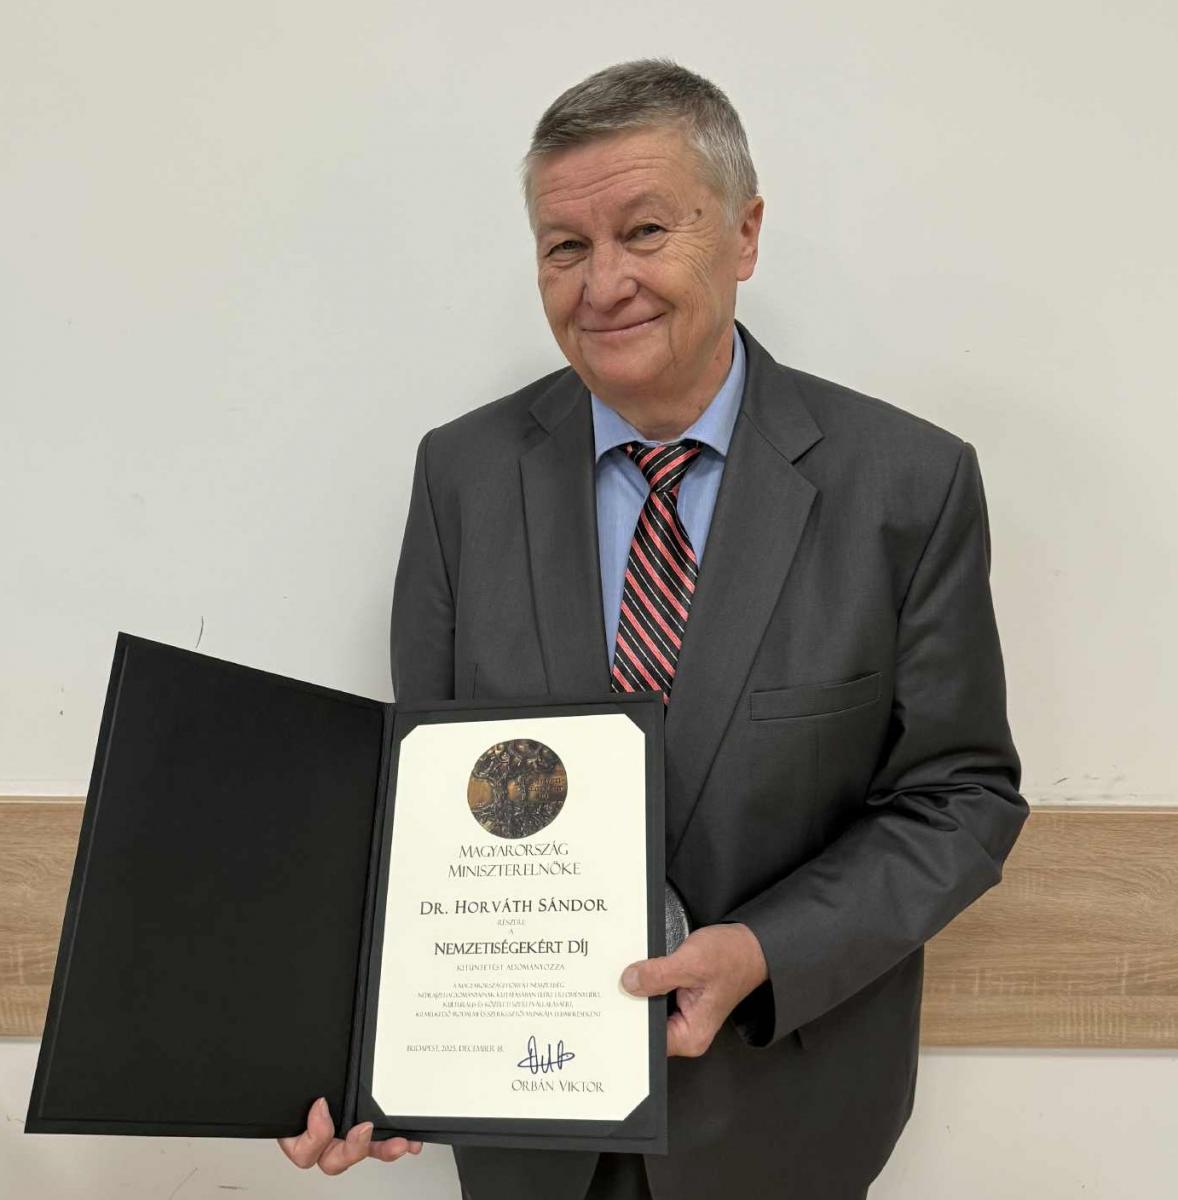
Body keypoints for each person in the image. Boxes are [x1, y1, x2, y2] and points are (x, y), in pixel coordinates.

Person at [278, 58, 1028, 1200]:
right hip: (524, 1128)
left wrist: (766, 951)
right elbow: (420, 807)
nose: (604, 284)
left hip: (780, 1120)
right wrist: (360, 1065)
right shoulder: (462, 477)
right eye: (564, 246)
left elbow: (959, 799)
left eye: (643, 231)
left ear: (744, 233)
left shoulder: (906, 485)